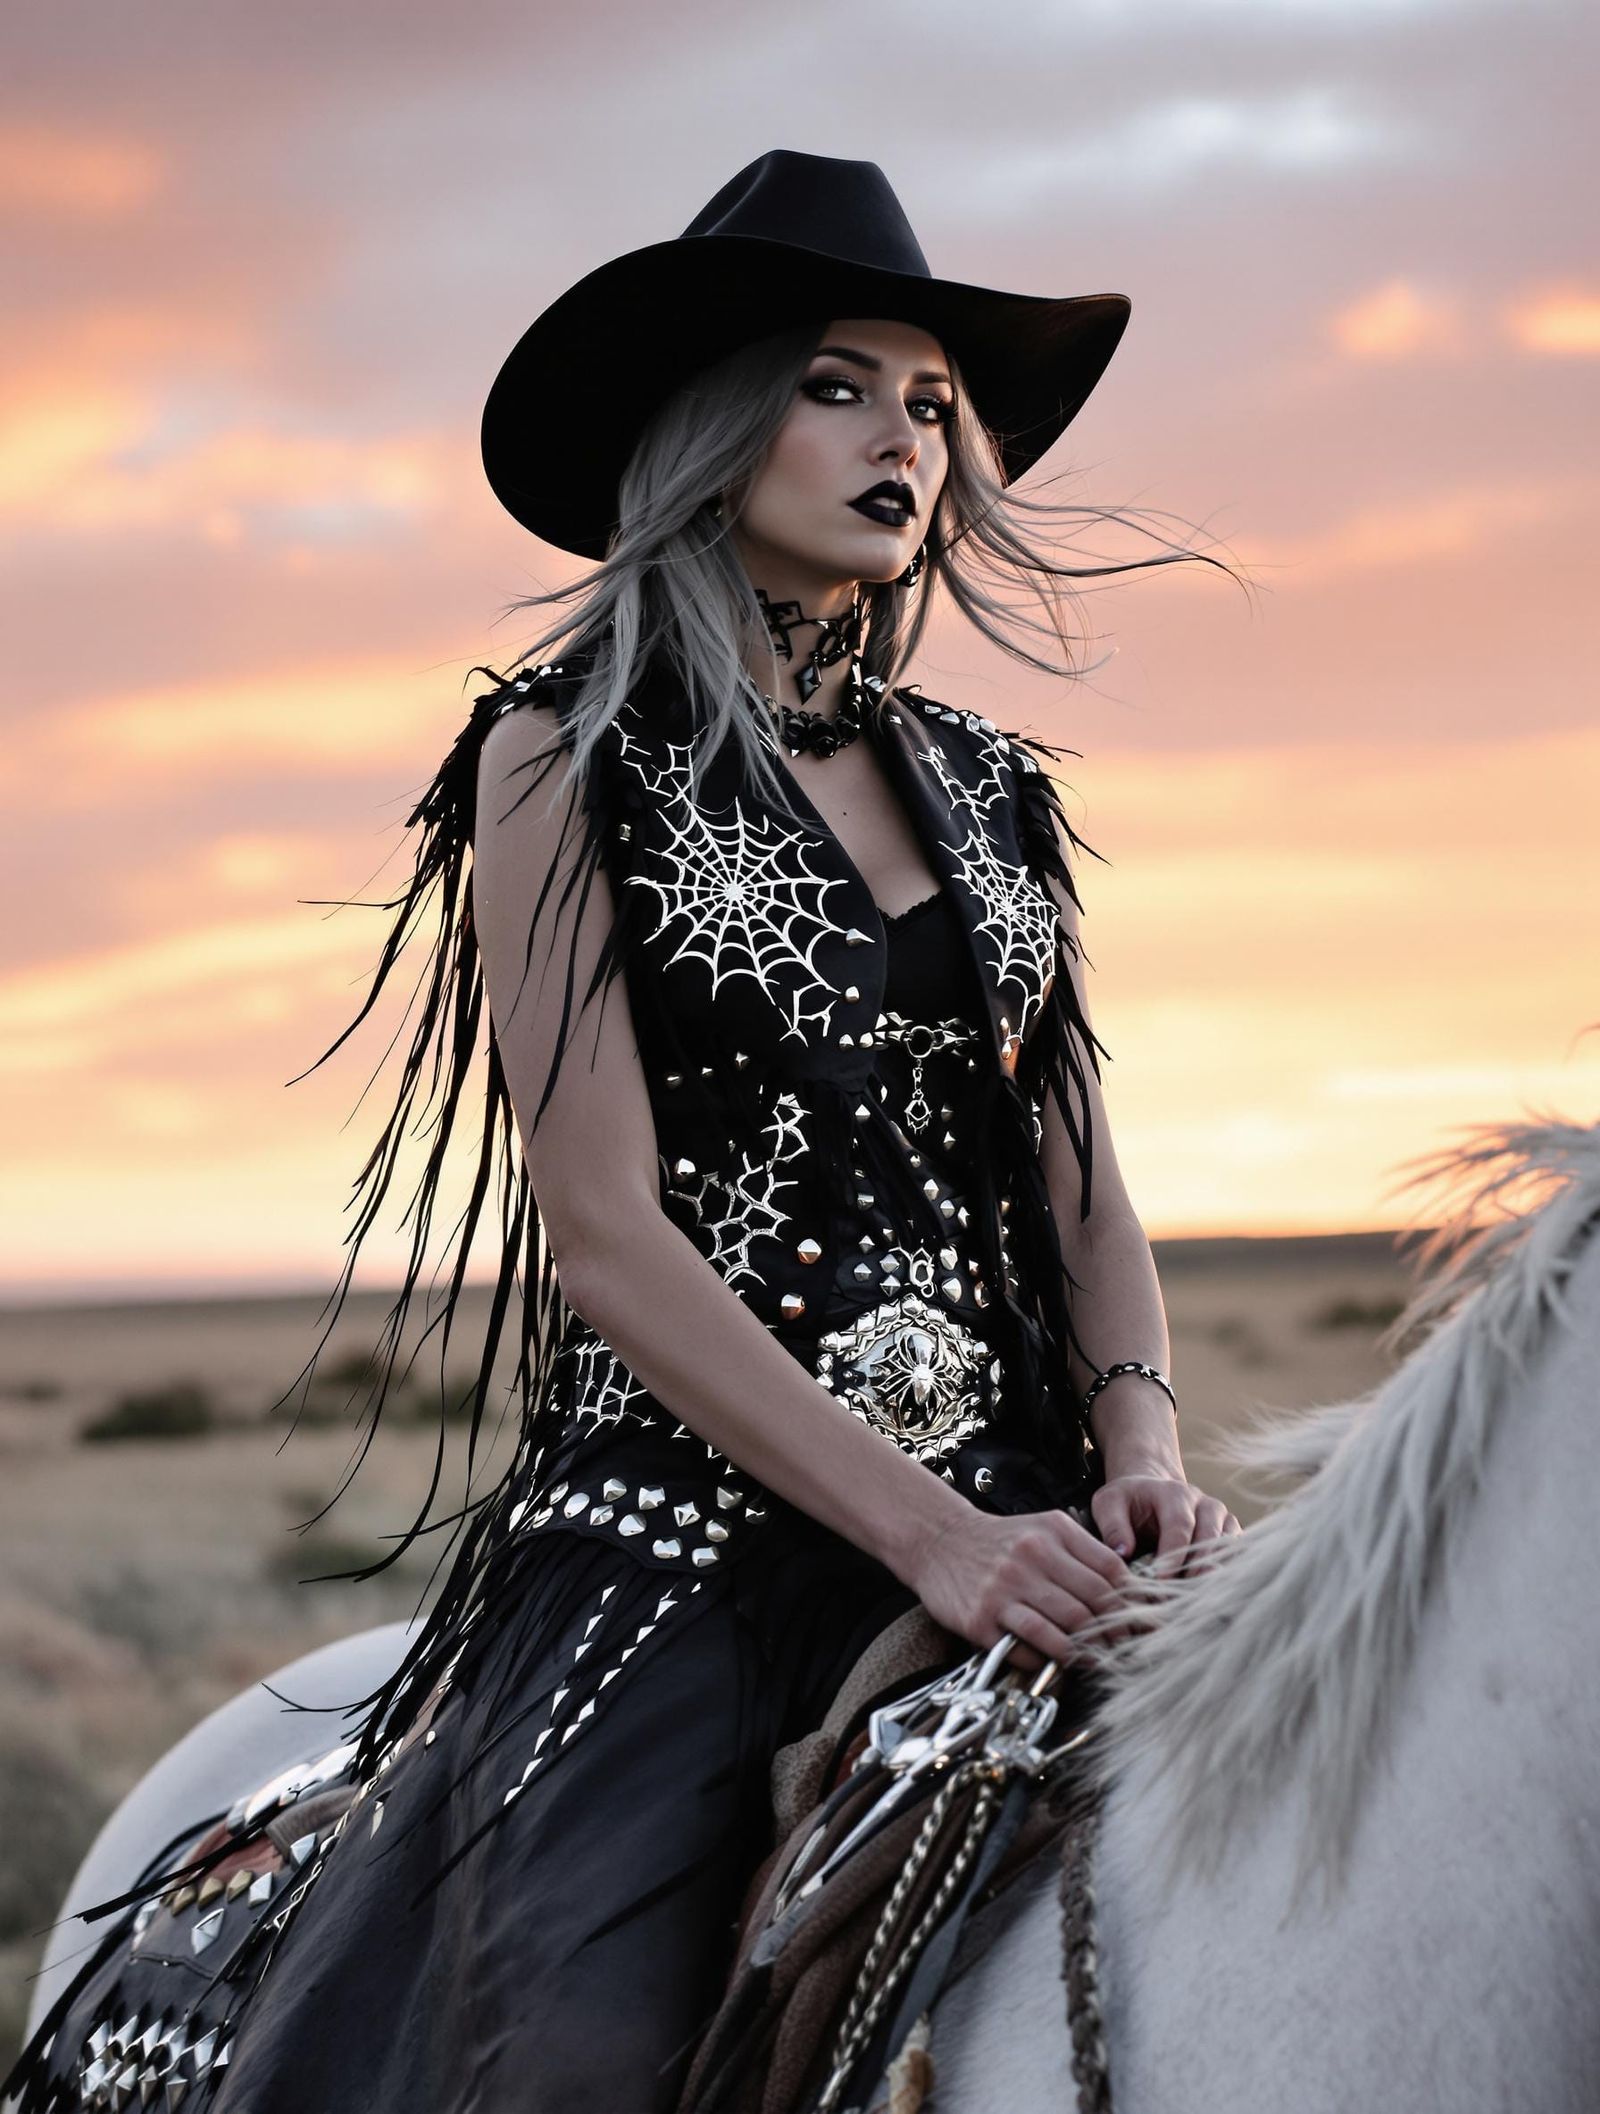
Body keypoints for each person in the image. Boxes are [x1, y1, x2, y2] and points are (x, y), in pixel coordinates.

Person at [5, 149, 1241, 2114]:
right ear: (716, 420)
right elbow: (600, 1231)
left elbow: (1080, 1180)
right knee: (559, 2055)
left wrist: (1145, 1454)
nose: (900, 434)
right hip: (682, 1550)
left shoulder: (993, 785)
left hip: (1030, 1505)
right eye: (839, 381)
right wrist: (937, 1539)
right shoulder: (563, 748)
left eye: (932, 401)